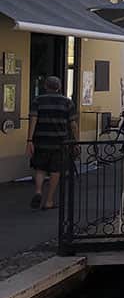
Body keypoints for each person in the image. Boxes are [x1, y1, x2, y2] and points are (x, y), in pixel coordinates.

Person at [26, 76, 78, 210]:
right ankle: (49, 201)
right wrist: (77, 141)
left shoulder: (37, 100)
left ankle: (38, 191)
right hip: (60, 142)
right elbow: (73, 124)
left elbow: (33, 120)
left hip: (41, 140)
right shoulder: (67, 102)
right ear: (59, 87)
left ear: (45, 86)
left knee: (40, 168)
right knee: (56, 171)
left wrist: (29, 140)